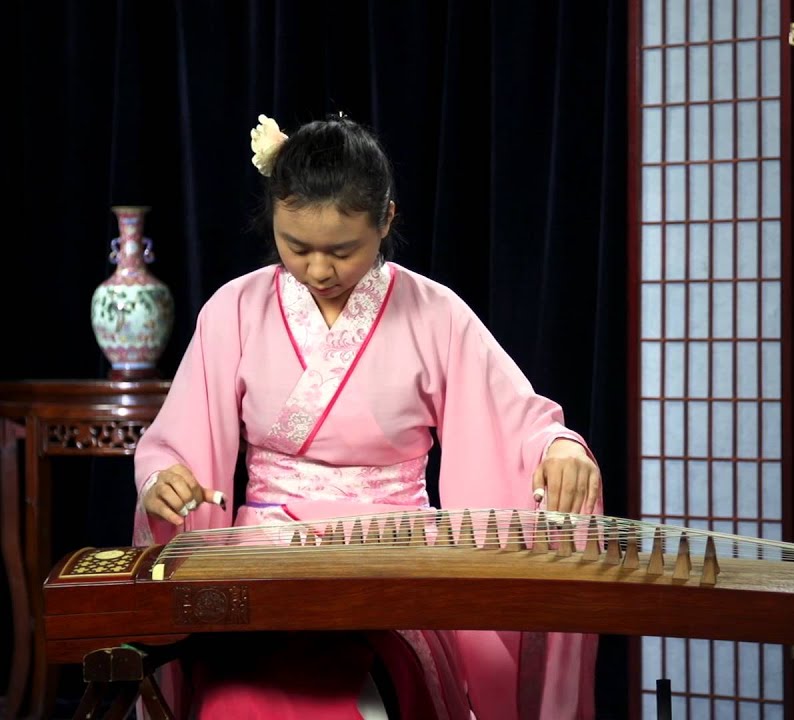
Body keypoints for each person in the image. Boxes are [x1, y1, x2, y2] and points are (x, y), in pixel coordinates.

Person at [131, 112, 603, 719]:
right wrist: (165, 478)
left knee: (365, 693)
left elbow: (519, 418)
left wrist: (557, 449)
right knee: (241, 699)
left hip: (394, 557)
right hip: (265, 561)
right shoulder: (234, 309)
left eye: (342, 250)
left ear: (385, 220)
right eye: (295, 247)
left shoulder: (437, 314)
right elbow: (176, 442)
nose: (319, 270)